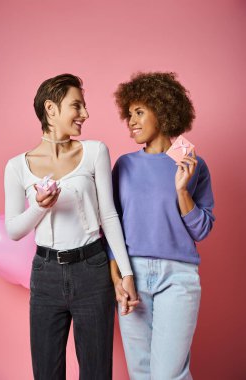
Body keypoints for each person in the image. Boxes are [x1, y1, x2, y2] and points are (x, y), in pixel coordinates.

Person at [4, 73, 138, 380]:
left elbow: (109, 215)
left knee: (96, 372)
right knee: (47, 372)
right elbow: (13, 230)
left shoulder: (95, 151)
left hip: (92, 270)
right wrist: (38, 206)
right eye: (76, 105)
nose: (85, 114)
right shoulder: (16, 167)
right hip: (46, 275)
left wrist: (127, 273)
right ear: (51, 109)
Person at [109, 72, 215, 380]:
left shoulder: (192, 164)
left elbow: (201, 229)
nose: (131, 122)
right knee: (141, 373)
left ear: (163, 111)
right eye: (129, 115)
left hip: (178, 277)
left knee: (170, 374)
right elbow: (111, 227)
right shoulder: (124, 165)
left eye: (139, 112)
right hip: (133, 275)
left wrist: (182, 191)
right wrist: (117, 277)